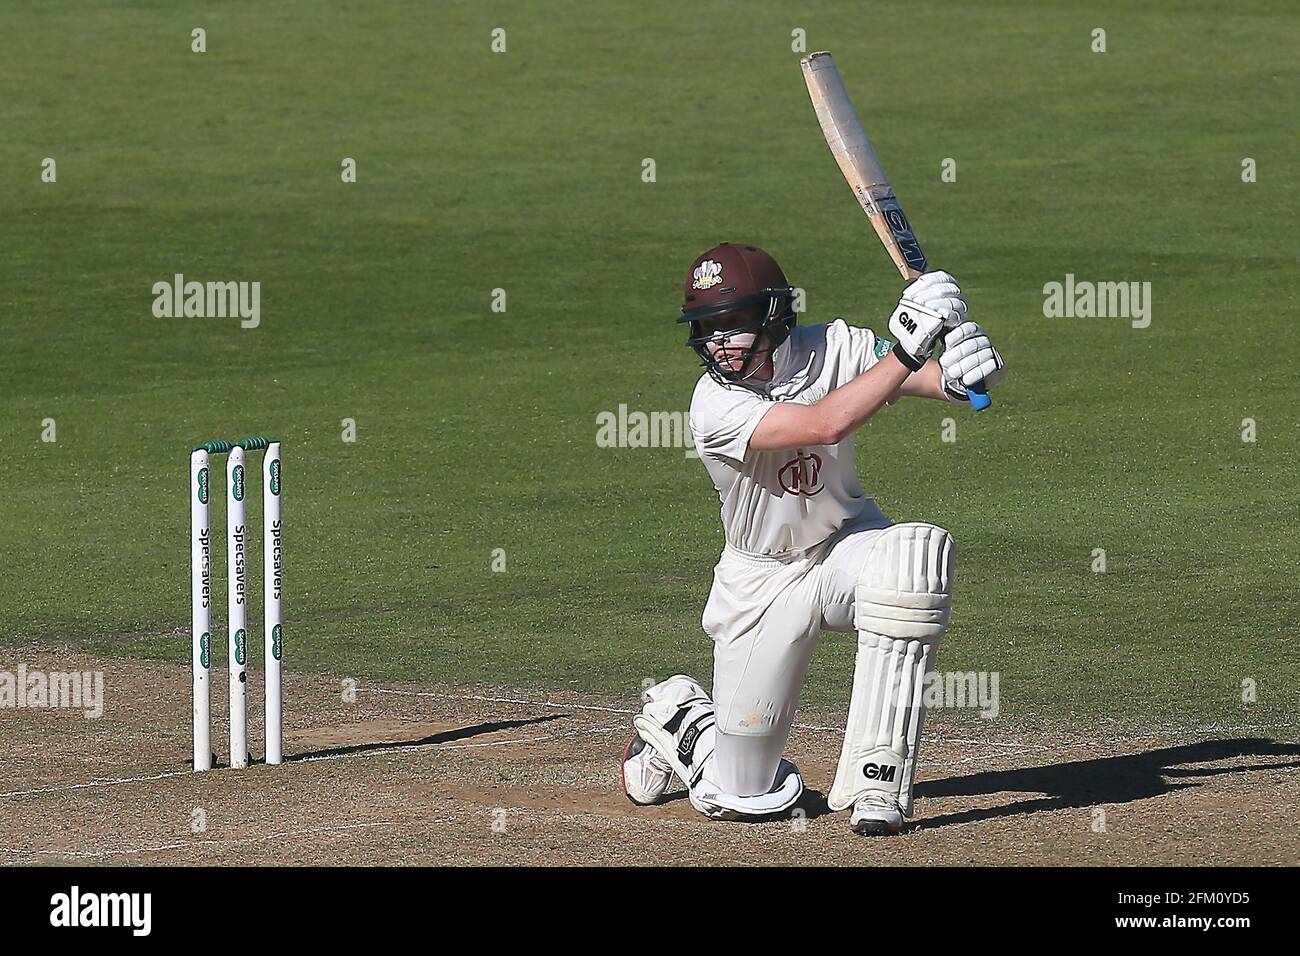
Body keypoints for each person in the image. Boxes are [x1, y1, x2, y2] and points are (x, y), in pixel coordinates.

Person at [619, 242, 1006, 834]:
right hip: (761, 582)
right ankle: (683, 720)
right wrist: (909, 346)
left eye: (734, 323)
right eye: (708, 327)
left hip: (844, 544)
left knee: (912, 560)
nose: (719, 342)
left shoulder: (835, 346)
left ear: (773, 315)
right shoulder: (713, 404)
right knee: (746, 793)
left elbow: (915, 380)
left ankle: (879, 782)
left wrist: (959, 374)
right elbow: (826, 423)